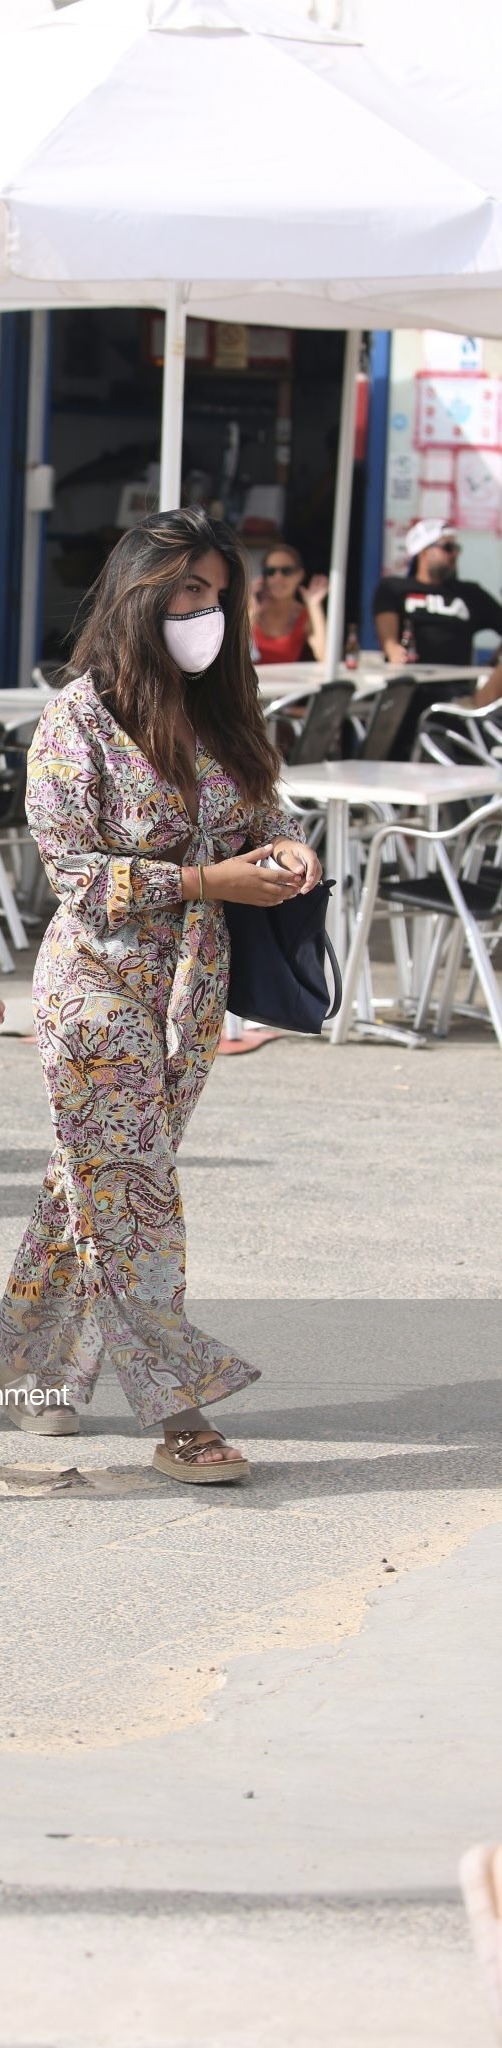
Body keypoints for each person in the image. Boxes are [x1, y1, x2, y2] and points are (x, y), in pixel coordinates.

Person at [0, 509, 321, 1483]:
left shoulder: (219, 710)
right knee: (134, 1194)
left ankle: (30, 1379)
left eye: (217, 593)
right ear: (138, 595)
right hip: (95, 982)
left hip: (191, 994)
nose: (206, 609)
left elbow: (260, 815)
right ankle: (180, 1412)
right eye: (187, 589)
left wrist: (285, 849)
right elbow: (71, 870)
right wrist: (204, 882)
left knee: (92, 1182)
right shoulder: (78, 719)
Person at [373, 518, 502, 668]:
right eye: (448, 548)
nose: (455, 554)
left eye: (456, 548)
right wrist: (392, 649)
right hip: (409, 679)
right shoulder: (394, 588)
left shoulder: (470, 593)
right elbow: (388, 638)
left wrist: (494, 665)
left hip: (458, 682)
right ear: (424, 552)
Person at [250, 542, 328, 665]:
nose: (278, 577)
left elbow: (324, 655)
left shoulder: (303, 615)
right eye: (270, 571)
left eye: (286, 571)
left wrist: (314, 605)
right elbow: (233, 653)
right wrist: (250, 612)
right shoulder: (251, 608)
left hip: (286, 678)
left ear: (300, 575)